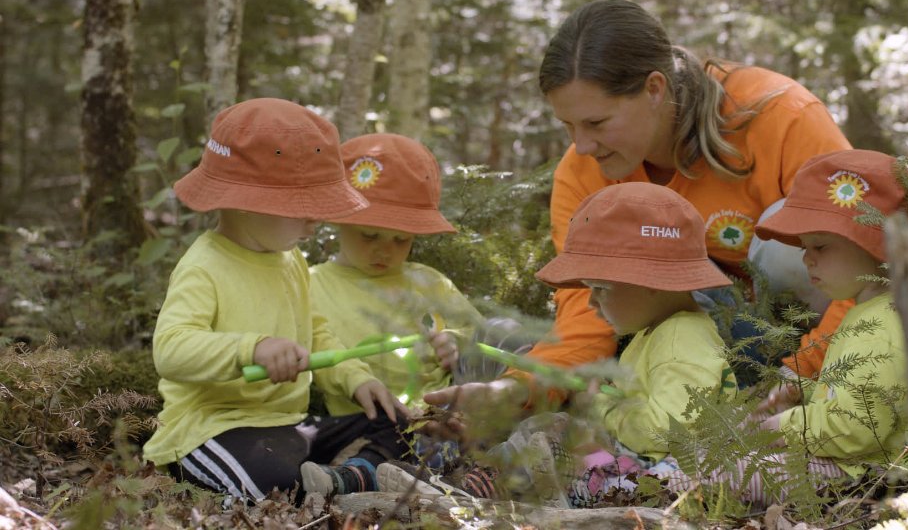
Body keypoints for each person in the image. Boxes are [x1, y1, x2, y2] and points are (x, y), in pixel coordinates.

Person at [423, 0, 853, 431]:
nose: (582, 146)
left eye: (596, 123)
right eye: (568, 126)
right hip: (676, 341)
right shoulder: (582, 171)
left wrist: (800, 374)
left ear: (654, 89)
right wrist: (520, 390)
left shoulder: (781, 118)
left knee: (797, 241)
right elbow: (587, 310)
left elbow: (864, 253)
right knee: (503, 339)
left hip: (796, 340)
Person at [384, 182, 738, 506]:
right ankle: (474, 483)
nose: (591, 302)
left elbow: (669, 432)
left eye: (600, 289)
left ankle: (471, 490)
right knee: (551, 428)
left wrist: (604, 406)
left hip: (656, 482)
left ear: (652, 282)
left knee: (552, 430)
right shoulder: (660, 331)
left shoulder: (680, 340)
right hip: (635, 466)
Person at [142, 98, 410, 502]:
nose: (315, 220)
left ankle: (347, 478)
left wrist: (356, 378)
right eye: (302, 208)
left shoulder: (291, 259)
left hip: (291, 425)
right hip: (212, 430)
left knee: (398, 421)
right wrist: (252, 349)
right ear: (248, 203)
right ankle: (345, 483)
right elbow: (171, 350)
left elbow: (316, 334)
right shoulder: (205, 266)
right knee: (277, 482)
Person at [703, 148, 908, 506]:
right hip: (859, 463)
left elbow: (856, 429)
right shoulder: (874, 312)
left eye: (820, 246)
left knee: (727, 472)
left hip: (867, 474)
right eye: (805, 246)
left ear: (877, 244)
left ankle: (655, 484)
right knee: (728, 461)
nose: (805, 258)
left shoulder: (880, 326)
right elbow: (866, 400)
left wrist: (784, 426)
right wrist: (808, 394)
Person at [310, 133, 483, 469]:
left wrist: (456, 342)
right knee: (403, 447)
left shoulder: (428, 281)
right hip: (377, 422)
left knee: (509, 337)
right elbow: (321, 355)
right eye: (369, 235)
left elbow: (479, 333)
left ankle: (502, 450)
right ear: (338, 218)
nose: (384, 250)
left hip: (449, 409)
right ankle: (375, 472)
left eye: (401, 240)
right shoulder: (313, 285)